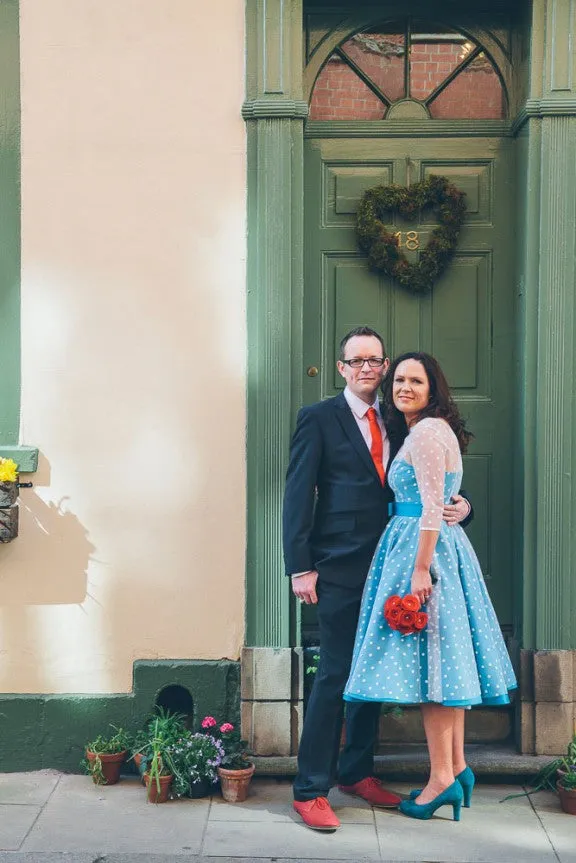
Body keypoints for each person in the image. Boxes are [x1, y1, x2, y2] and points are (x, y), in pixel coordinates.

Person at [283, 328, 472, 831]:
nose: (368, 368)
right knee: (336, 674)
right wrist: (300, 566)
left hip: (390, 563)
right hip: (339, 564)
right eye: (356, 360)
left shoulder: (403, 417)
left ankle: (357, 771)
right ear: (341, 367)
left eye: (376, 360)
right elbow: (298, 495)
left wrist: (463, 506)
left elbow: (432, 485)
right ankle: (309, 789)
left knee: (372, 675)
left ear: (385, 367)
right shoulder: (318, 418)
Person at [344, 351, 517, 822]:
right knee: (444, 664)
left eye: (415, 381)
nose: (403, 387)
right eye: (398, 380)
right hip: (438, 549)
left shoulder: (424, 433)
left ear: (432, 388)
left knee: (434, 673)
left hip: (424, 554)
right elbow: (443, 500)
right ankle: (456, 767)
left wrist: (420, 570)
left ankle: (440, 778)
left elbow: (428, 506)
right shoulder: (434, 430)